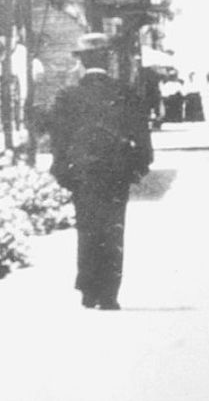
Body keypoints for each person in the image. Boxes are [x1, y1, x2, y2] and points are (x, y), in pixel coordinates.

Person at [47, 32, 153, 310]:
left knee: (87, 226)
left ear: (82, 62)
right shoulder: (125, 93)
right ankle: (109, 293)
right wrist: (140, 165)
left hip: (82, 171)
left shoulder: (68, 96)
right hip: (117, 171)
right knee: (114, 228)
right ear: (108, 59)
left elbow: (58, 139)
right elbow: (141, 133)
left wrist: (62, 170)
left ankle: (88, 289)